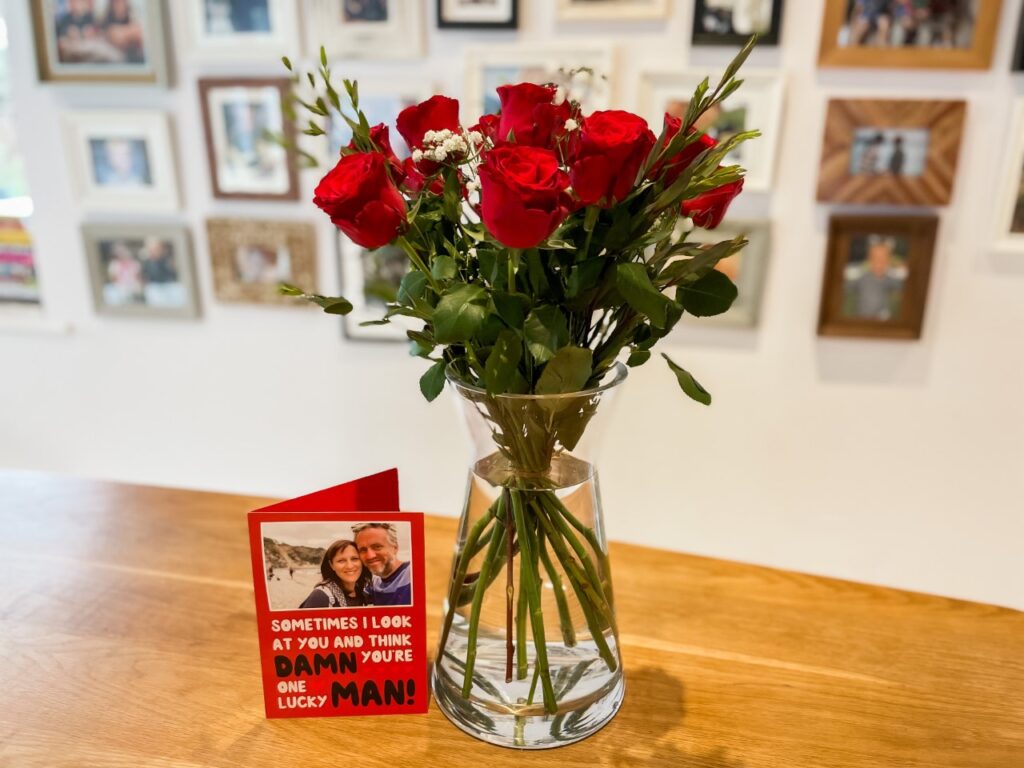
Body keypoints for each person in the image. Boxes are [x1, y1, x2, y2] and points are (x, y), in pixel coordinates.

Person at [299, 539, 370, 608]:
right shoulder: (321, 596)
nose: (349, 566)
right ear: (331, 565)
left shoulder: (366, 594)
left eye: (354, 559)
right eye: (341, 561)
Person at [353, 522, 411, 606]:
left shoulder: (412, 575)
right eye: (363, 550)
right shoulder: (373, 584)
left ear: (395, 548)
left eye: (377, 547)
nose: (370, 556)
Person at [849, 237, 904, 320]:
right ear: (870, 259)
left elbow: (902, 287)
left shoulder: (890, 280)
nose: (879, 262)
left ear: (888, 261)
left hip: (882, 319)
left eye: (882, 259)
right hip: (862, 319)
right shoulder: (862, 278)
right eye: (875, 258)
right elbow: (848, 286)